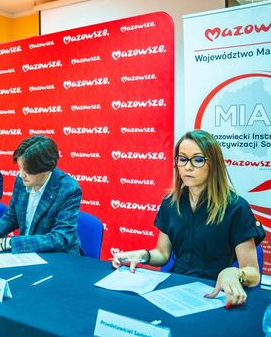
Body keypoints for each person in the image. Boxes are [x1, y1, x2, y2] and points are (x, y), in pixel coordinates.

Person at [112, 130, 265, 306]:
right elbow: (163, 253)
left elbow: (253, 273)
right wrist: (143, 255)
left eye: (198, 160)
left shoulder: (236, 207)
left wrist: (235, 273)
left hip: (215, 291)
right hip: (175, 287)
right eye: (183, 159)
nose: (188, 167)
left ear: (214, 164)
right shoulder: (171, 203)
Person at [0, 135, 82, 254]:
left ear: (46, 169)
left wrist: (6, 243)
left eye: (27, 170)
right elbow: (11, 217)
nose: (21, 174)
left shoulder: (68, 188)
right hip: (26, 254)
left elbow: (61, 238)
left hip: (58, 257)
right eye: (20, 167)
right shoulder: (21, 180)